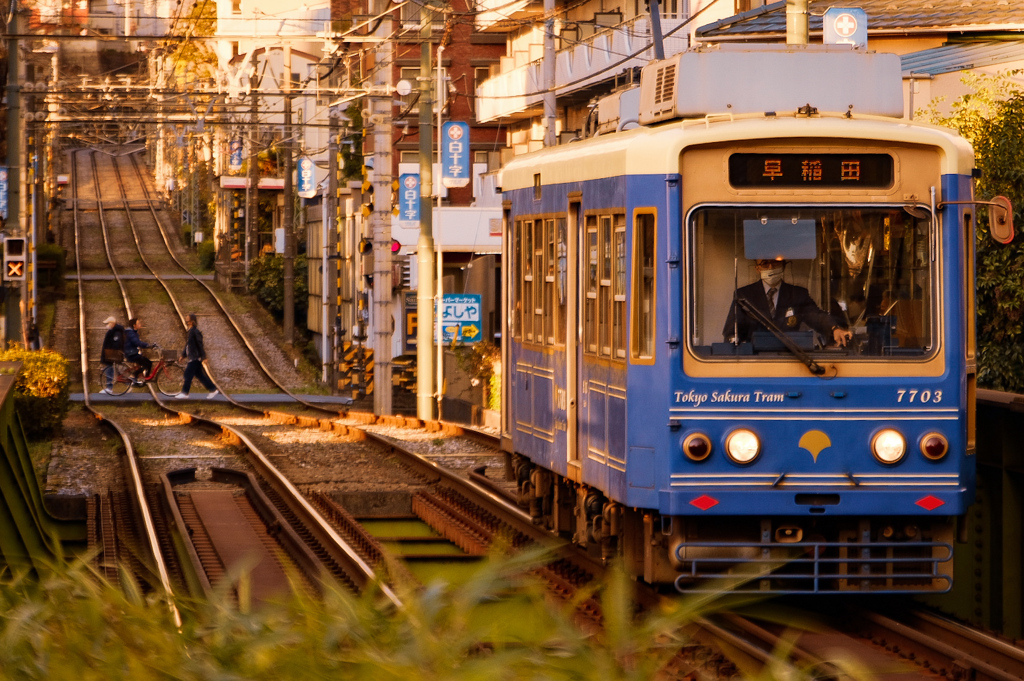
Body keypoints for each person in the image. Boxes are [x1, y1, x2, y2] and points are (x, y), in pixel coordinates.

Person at [723, 258, 852, 347]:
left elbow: (816, 316)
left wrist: (834, 328)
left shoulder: (797, 294)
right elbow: (731, 332)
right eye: (765, 263)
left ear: (784, 265)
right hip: (754, 362)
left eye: (775, 263)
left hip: (790, 358)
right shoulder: (744, 295)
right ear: (757, 268)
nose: (770, 267)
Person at [177, 313, 219, 399]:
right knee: (200, 375)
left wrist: (204, 357)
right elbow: (188, 345)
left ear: (192, 321)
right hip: (192, 357)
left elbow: (200, 345)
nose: (186, 322)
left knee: (188, 374)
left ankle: (185, 393)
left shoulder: (195, 332)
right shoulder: (190, 331)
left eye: (188, 321)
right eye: (186, 321)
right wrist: (183, 355)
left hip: (195, 357)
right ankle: (213, 389)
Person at [124, 318, 157, 385]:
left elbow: (138, 342)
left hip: (132, 352)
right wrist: (148, 345)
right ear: (134, 325)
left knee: (147, 363)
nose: (140, 324)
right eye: (138, 323)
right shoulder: (131, 333)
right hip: (131, 354)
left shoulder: (134, 332)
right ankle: (137, 377)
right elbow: (137, 342)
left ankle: (139, 379)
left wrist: (148, 345)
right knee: (148, 363)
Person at [99, 316, 125, 395]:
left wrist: (110, 350)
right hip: (111, 354)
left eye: (108, 323)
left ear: (112, 323)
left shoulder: (116, 333)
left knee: (110, 370)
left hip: (113, 354)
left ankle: (109, 388)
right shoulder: (113, 331)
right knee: (115, 370)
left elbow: (116, 343)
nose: (107, 325)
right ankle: (129, 383)